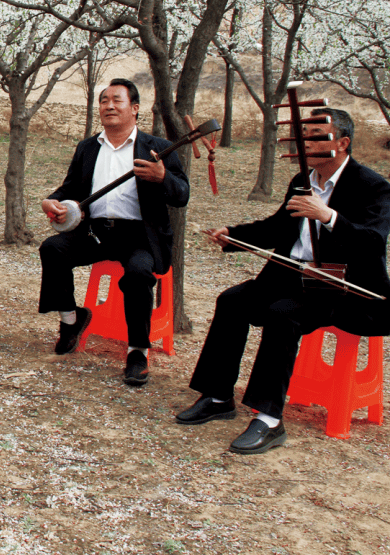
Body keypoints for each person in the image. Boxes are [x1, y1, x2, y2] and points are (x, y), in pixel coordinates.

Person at [177, 107, 390, 454]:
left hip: (341, 287)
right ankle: (218, 397)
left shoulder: (373, 186)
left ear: (343, 142)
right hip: (291, 275)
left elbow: (373, 242)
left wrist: (329, 216)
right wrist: (233, 235)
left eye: (317, 137)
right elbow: (278, 227)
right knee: (232, 300)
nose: (308, 144)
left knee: (282, 313)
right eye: (306, 137)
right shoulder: (302, 181)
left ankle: (269, 419)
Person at [38, 79, 189, 386]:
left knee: (137, 271)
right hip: (95, 232)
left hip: (140, 236)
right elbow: (72, 189)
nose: (108, 106)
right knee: (52, 248)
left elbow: (182, 194)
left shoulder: (157, 149)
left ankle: (137, 352)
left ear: (135, 109)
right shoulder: (88, 147)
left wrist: (162, 177)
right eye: (104, 100)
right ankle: (70, 320)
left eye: (116, 100)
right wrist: (52, 201)